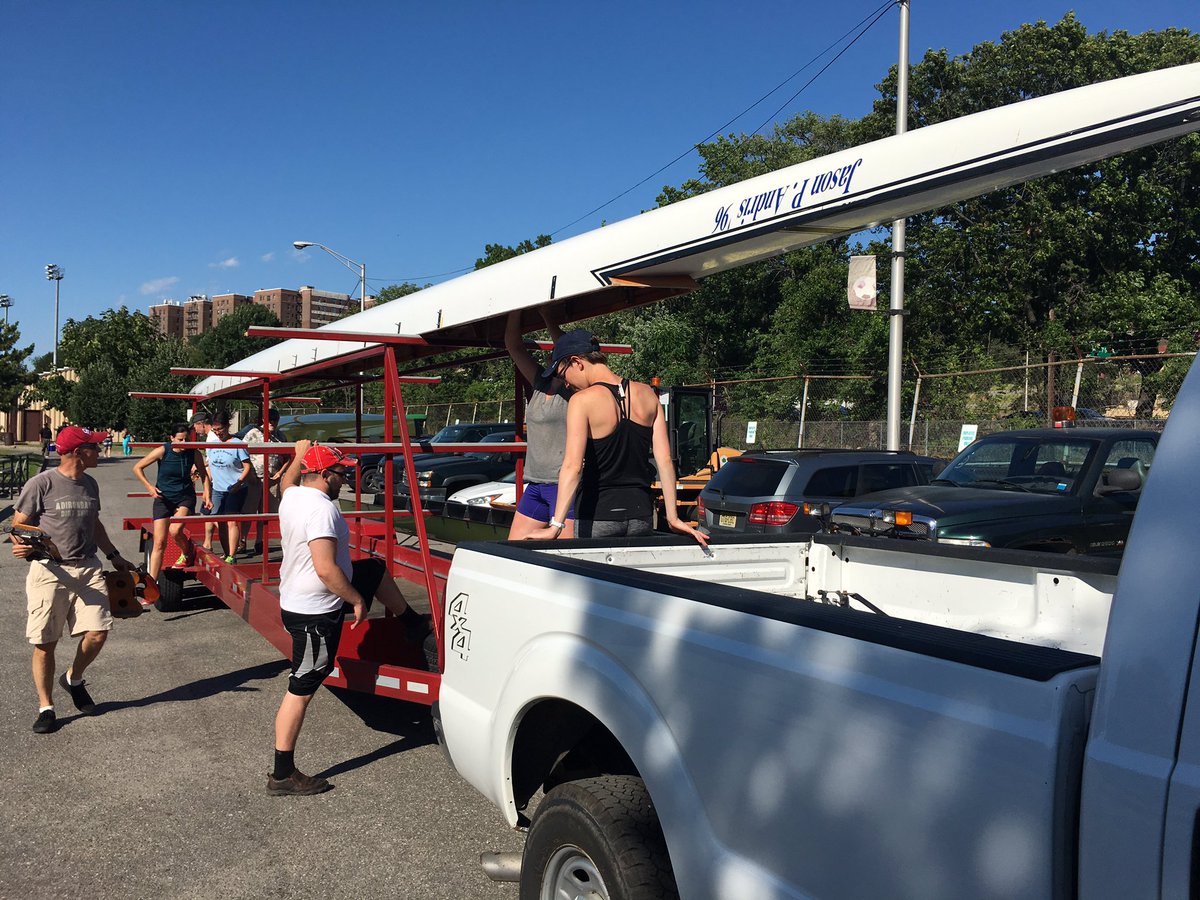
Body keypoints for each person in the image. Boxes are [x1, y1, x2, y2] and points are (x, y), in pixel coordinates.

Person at [268, 440, 431, 795]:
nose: (346, 478)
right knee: (302, 686)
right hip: (315, 611)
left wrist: (298, 454)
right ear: (325, 475)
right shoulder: (322, 511)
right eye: (342, 473)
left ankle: (412, 624)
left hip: (302, 598)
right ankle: (282, 774)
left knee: (372, 568)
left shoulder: (293, 496)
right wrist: (356, 600)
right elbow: (326, 569)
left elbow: (286, 482)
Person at [10, 425, 134, 734]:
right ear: (78, 453)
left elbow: (94, 524)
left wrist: (114, 554)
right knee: (45, 644)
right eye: (94, 447)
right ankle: (46, 707)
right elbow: (18, 525)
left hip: (88, 568)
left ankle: (73, 678)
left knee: (99, 631)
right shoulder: (42, 483)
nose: (99, 450)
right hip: (50, 571)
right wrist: (21, 544)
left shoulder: (91, 484)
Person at [543, 330, 707, 546]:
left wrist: (556, 525)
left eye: (562, 374)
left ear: (577, 362)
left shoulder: (581, 401)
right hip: (641, 514)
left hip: (598, 515)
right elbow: (665, 461)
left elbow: (573, 466)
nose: (565, 383)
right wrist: (673, 517)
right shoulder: (648, 394)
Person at [503, 311, 574, 539]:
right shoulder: (539, 382)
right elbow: (513, 346)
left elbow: (567, 345)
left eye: (557, 354)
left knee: (565, 558)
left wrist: (547, 315)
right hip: (535, 484)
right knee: (516, 547)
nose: (553, 355)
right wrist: (515, 311)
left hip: (562, 485)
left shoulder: (573, 390)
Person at [132, 423, 205, 581]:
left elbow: (204, 475)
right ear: (172, 438)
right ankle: (151, 584)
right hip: (163, 498)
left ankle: (186, 552)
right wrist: (149, 487)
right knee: (159, 543)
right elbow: (137, 467)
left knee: (175, 530)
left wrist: (208, 494)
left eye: (186, 439)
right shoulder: (163, 451)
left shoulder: (194, 453)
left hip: (185, 496)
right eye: (180, 440)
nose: (184, 443)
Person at [204, 411, 254, 564]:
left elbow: (247, 466)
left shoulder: (237, 444)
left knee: (231, 520)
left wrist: (238, 483)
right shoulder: (212, 445)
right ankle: (227, 553)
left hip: (235, 488)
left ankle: (232, 555)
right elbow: (210, 467)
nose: (218, 433)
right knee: (219, 520)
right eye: (215, 430)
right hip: (218, 489)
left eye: (220, 429)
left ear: (227, 427)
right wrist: (207, 490)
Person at [240, 408, 286, 555]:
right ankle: (242, 540)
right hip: (254, 479)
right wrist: (249, 474)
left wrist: (280, 472)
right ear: (263, 420)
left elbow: (288, 456)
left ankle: (260, 541)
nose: (272, 422)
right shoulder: (253, 434)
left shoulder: (280, 436)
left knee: (265, 513)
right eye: (270, 419)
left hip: (272, 480)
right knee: (248, 512)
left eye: (275, 419)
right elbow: (241, 454)